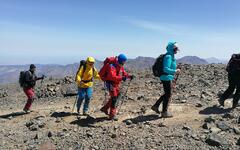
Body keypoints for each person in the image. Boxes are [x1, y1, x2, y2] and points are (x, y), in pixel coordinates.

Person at [100, 54, 134, 120]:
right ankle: (112, 115)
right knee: (114, 99)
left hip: (115, 84)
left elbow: (124, 73)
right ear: (121, 61)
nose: (124, 63)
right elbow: (112, 77)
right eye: (124, 61)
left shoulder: (120, 65)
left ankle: (104, 108)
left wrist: (129, 76)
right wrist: (122, 78)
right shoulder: (112, 66)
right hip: (110, 83)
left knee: (116, 96)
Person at [151, 41, 181, 118]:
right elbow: (165, 69)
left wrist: (174, 70)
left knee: (167, 93)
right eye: (175, 49)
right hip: (166, 77)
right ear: (172, 49)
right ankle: (164, 112)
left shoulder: (170, 56)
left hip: (167, 77)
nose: (176, 51)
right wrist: (175, 71)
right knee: (168, 94)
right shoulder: (168, 57)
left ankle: (156, 106)